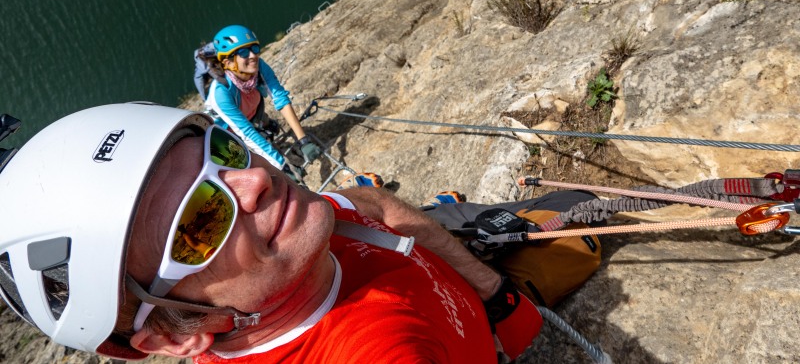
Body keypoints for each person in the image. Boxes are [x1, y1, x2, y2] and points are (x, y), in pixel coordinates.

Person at [0, 103, 541, 363]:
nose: (256, 180)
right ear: (173, 336)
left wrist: (494, 293)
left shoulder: (297, 237)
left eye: (224, 153)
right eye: (202, 220)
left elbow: (371, 203)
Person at [206, 24, 321, 177]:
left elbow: (279, 97)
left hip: (252, 115)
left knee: (271, 130)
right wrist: (283, 166)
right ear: (228, 63)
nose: (252, 56)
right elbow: (246, 132)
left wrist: (304, 140)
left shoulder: (258, 66)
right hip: (228, 135)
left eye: (254, 48)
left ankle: (265, 130)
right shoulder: (220, 93)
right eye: (243, 52)